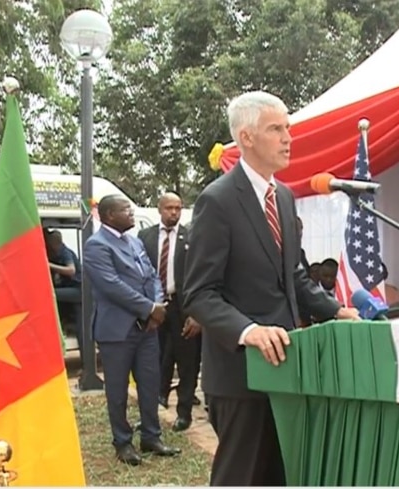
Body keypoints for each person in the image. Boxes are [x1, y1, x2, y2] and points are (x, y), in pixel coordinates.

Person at [184, 91, 360, 486]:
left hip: (286, 368)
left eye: (288, 128)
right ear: (246, 137)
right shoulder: (218, 201)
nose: (287, 138)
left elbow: (293, 276)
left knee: (280, 475)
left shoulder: (282, 196)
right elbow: (199, 294)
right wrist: (249, 331)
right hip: (240, 375)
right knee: (242, 477)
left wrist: (335, 310)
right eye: (276, 129)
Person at [83, 194, 180, 466]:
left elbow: (151, 276)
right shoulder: (96, 246)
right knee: (118, 389)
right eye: (126, 209)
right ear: (109, 215)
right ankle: (122, 442)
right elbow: (111, 286)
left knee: (149, 383)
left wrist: (157, 305)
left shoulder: (134, 241)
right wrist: (149, 308)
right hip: (117, 331)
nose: (132, 213)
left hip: (146, 330)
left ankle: (151, 436)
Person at [138, 192, 201, 431]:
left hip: (182, 307)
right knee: (154, 357)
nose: (174, 212)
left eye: (178, 208)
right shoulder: (145, 236)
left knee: (187, 361)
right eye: (169, 208)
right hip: (154, 306)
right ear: (159, 209)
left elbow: (199, 275)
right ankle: (153, 406)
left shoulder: (192, 237)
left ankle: (184, 412)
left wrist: (197, 313)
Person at [44, 230, 83, 353]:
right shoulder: (55, 254)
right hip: (71, 290)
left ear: (54, 243)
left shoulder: (65, 253)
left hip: (78, 291)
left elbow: (71, 270)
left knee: (48, 293)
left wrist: (48, 264)